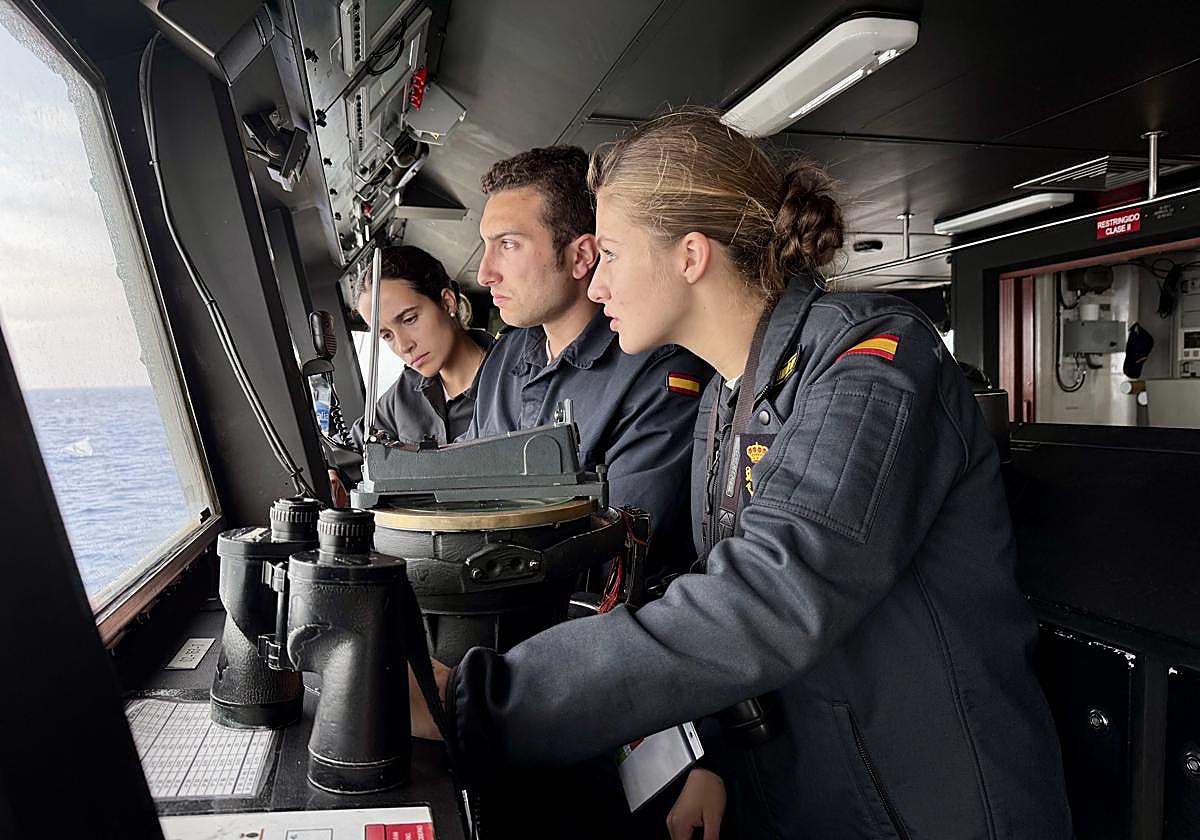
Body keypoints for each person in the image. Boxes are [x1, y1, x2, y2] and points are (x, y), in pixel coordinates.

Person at [413, 109, 1074, 839]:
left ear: (690, 255)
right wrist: (700, 754)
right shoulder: (728, 398)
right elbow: (699, 587)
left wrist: (484, 702)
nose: (596, 287)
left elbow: (770, 593)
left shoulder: (876, 361)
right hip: (811, 797)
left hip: (932, 806)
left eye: (612, 256)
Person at [467, 145, 712, 580]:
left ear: (581, 256)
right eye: (486, 246)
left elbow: (621, 555)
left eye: (508, 245)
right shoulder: (502, 359)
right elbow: (463, 485)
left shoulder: (656, 369)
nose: (486, 274)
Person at [327, 245, 493, 504]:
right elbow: (344, 449)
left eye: (409, 319)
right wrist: (331, 473)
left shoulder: (514, 377)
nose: (403, 345)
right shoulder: (402, 396)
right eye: (387, 335)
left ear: (447, 302)